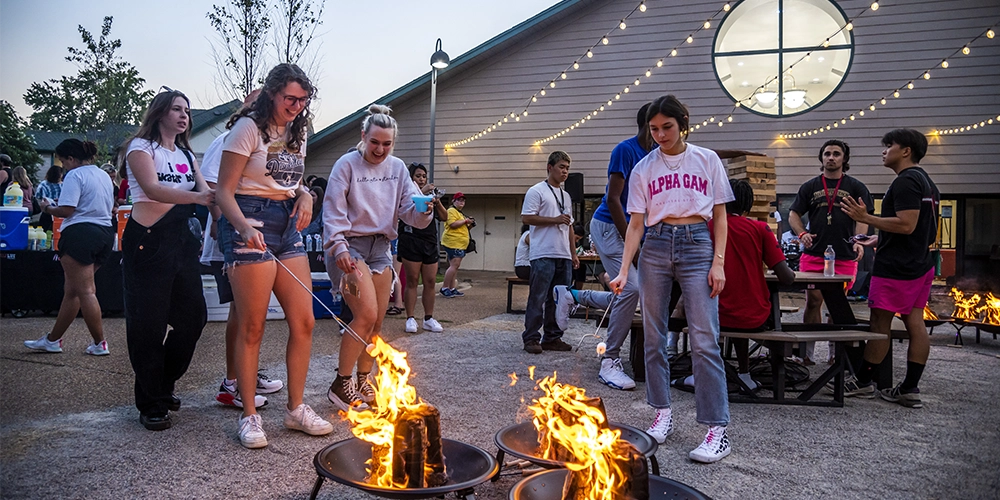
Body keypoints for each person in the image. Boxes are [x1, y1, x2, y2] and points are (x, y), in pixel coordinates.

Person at [609, 95, 734, 463]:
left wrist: (719, 263)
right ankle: (661, 412)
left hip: (697, 243)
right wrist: (622, 269)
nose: (660, 134)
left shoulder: (706, 159)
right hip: (657, 244)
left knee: (705, 338)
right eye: (654, 129)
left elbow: (721, 216)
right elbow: (634, 225)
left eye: (667, 127)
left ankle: (717, 429)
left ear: (683, 123)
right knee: (653, 334)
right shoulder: (644, 167)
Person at [216, 64, 332, 448]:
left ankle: (296, 408)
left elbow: (292, 182)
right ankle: (249, 415)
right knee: (253, 326)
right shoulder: (248, 128)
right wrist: (244, 228)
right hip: (248, 217)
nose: (297, 106)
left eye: (303, 100)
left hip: (286, 224)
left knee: (304, 321)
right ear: (272, 94)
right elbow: (224, 192)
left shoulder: (298, 131)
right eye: (290, 99)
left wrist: (306, 195)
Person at [323, 104, 432, 412]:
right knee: (365, 314)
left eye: (387, 144)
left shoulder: (397, 169)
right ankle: (340, 384)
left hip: (381, 248)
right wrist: (339, 247)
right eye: (374, 142)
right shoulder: (346, 165)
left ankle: (362, 379)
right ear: (363, 136)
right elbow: (331, 210)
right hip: (350, 246)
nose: (380, 149)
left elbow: (409, 213)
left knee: (377, 321)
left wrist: (424, 210)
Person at [120, 88, 214, 431]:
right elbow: (154, 188)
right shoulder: (141, 148)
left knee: (194, 319)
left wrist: (223, 215)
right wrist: (202, 198)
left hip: (183, 243)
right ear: (160, 113)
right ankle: (151, 402)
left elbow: (207, 194)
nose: (183, 116)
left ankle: (161, 383)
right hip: (148, 242)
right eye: (176, 109)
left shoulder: (187, 155)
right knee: (148, 325)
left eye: (186, 111)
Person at [840, 129, 939, 408]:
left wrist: (865, 217)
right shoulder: (927, 181)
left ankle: (863, 382)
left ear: (906, 150)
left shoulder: (906, 181)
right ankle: (909, 388)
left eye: (889, 146)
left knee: (879, 324)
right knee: (915, 323)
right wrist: (878, 237)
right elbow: (916, 226)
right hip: (921, 264)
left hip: (897, 268)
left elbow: (906, 224)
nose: (884, 151)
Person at [559, 104, 651, 389]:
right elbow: (613, 199)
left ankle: (573, 295)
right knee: (631, 288)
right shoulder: (626, 150)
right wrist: (632, 245)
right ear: (650, 124)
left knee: (639, 290)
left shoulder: (657, 155)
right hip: (611, 227)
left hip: (636, 229)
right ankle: (609, 360)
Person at [199, 89, 274, 412]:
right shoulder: (230, 138)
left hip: (251, 233)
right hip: (231, 235)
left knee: (247, 313)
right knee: (242, 313)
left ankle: (245, 373)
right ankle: (232, 383)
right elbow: (214, 186)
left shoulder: (265, 138)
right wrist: (220, 223)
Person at [24, 140, 114, 356]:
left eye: (63, 161)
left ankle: (100, 343)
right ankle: (52, 340)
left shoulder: (75, 175)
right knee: (72, 291)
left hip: (79, 235)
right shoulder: (102, 174)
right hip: (105, 234)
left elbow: (67, 210)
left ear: (71, 159)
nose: (63, 166)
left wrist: (47, 208)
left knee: (85, 291)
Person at [788, 139, 872, 365]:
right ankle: (806, 353)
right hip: (814, 254)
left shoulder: (856, 187)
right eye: (827, 154)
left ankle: (836, 354)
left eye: (836, 154)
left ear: (844, 159)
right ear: (821, 158)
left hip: (844, 254)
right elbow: (793, 214)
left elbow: (863, 217)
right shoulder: (810, 187)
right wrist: (801, 232)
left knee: (837, 303)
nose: (831, 157)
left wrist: (859, 241)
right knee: (813, 301)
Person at [711, 179, 795, 389]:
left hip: (715, 315)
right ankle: (744, 373)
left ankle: (702, 372)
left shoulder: (707, 226)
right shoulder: (760, 229)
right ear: (748, 205)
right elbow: (786, 277)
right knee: (743, 304)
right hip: (754, 316)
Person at [521, 151, 578, 354]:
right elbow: (526, 218)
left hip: (562, 253)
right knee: (538, 297)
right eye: (561, 167)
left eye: (567, 168)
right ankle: (531, 338)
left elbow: (569, 225)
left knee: (559, 299)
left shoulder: (566, 195)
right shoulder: (536, 191)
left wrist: (573, 253)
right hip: (543, 252)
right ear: (549, 167)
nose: (565, 172)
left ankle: (552, 337)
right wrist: (554, 220)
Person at [397, 162, 448, 333]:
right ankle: (410, 318)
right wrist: (422, 192)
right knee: (412, 280)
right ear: (411, 178)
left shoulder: (430, 195)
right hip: (411, 238)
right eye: (417, 176)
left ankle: (429, 318)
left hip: (429, 240)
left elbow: (444, 217)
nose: (421, 179)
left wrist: (436, 201)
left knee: (430, 281)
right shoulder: (405, 192)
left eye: (423, 176)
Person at [440, 192, 473, 297]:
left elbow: (464, 228)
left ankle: (452, 287)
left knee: (454, 266)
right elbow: (452, 224)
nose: (461, 202)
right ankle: (445, 287)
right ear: (453, 201)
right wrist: (465, 221)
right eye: (459, 200)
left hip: (460, 243)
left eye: (463, 200)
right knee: (454, 265)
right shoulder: (451, 211)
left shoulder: (460, 213)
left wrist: (470, 224)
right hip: (453, 242)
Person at [35, 165, 63, 231]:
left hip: (46, 209)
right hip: (59, 210)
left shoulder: (43, 184)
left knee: (42, 229)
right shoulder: (63, 185)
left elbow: (38, 196)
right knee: (58, 230)